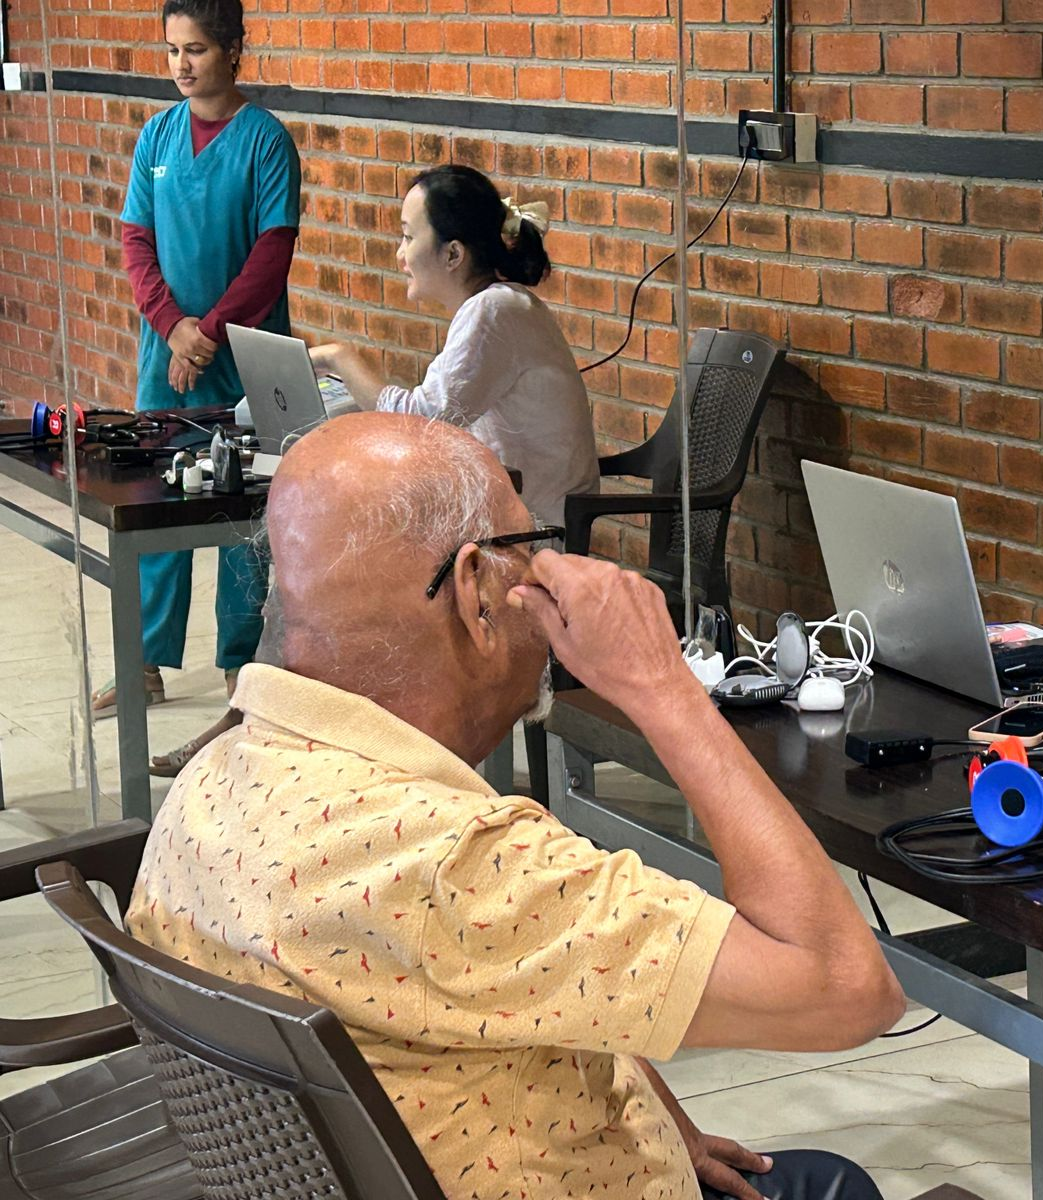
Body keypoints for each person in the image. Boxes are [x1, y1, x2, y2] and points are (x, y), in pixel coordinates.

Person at [127, 412, 902, 1200]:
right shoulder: (467, 867)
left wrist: (660, 1124)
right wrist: (663, 687)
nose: (540, 569)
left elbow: (525, 988)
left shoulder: (212, 778)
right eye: (525, 547)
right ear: (476, 594)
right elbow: (849, 989)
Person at [106, 0, 299, 733]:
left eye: (196, 49)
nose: (182, 65)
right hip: (168, 352)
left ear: (232, 49)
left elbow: (270, 257)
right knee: (154, 498)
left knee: (244, 513)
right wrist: (172, 328)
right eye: (172, 51)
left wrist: (208, 334)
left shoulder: (266, 143)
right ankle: (146, 659)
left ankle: (238, 667)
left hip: (244, 353)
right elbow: (136, 243)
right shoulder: (155, 137)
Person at [309, 164, 599, 529]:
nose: (400, 255)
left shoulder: (493, 310)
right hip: (502, 514)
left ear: (453, 255)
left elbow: (424, 422)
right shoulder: (497, 305)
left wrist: (341, 358)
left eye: (409, 238)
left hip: (531, 533)